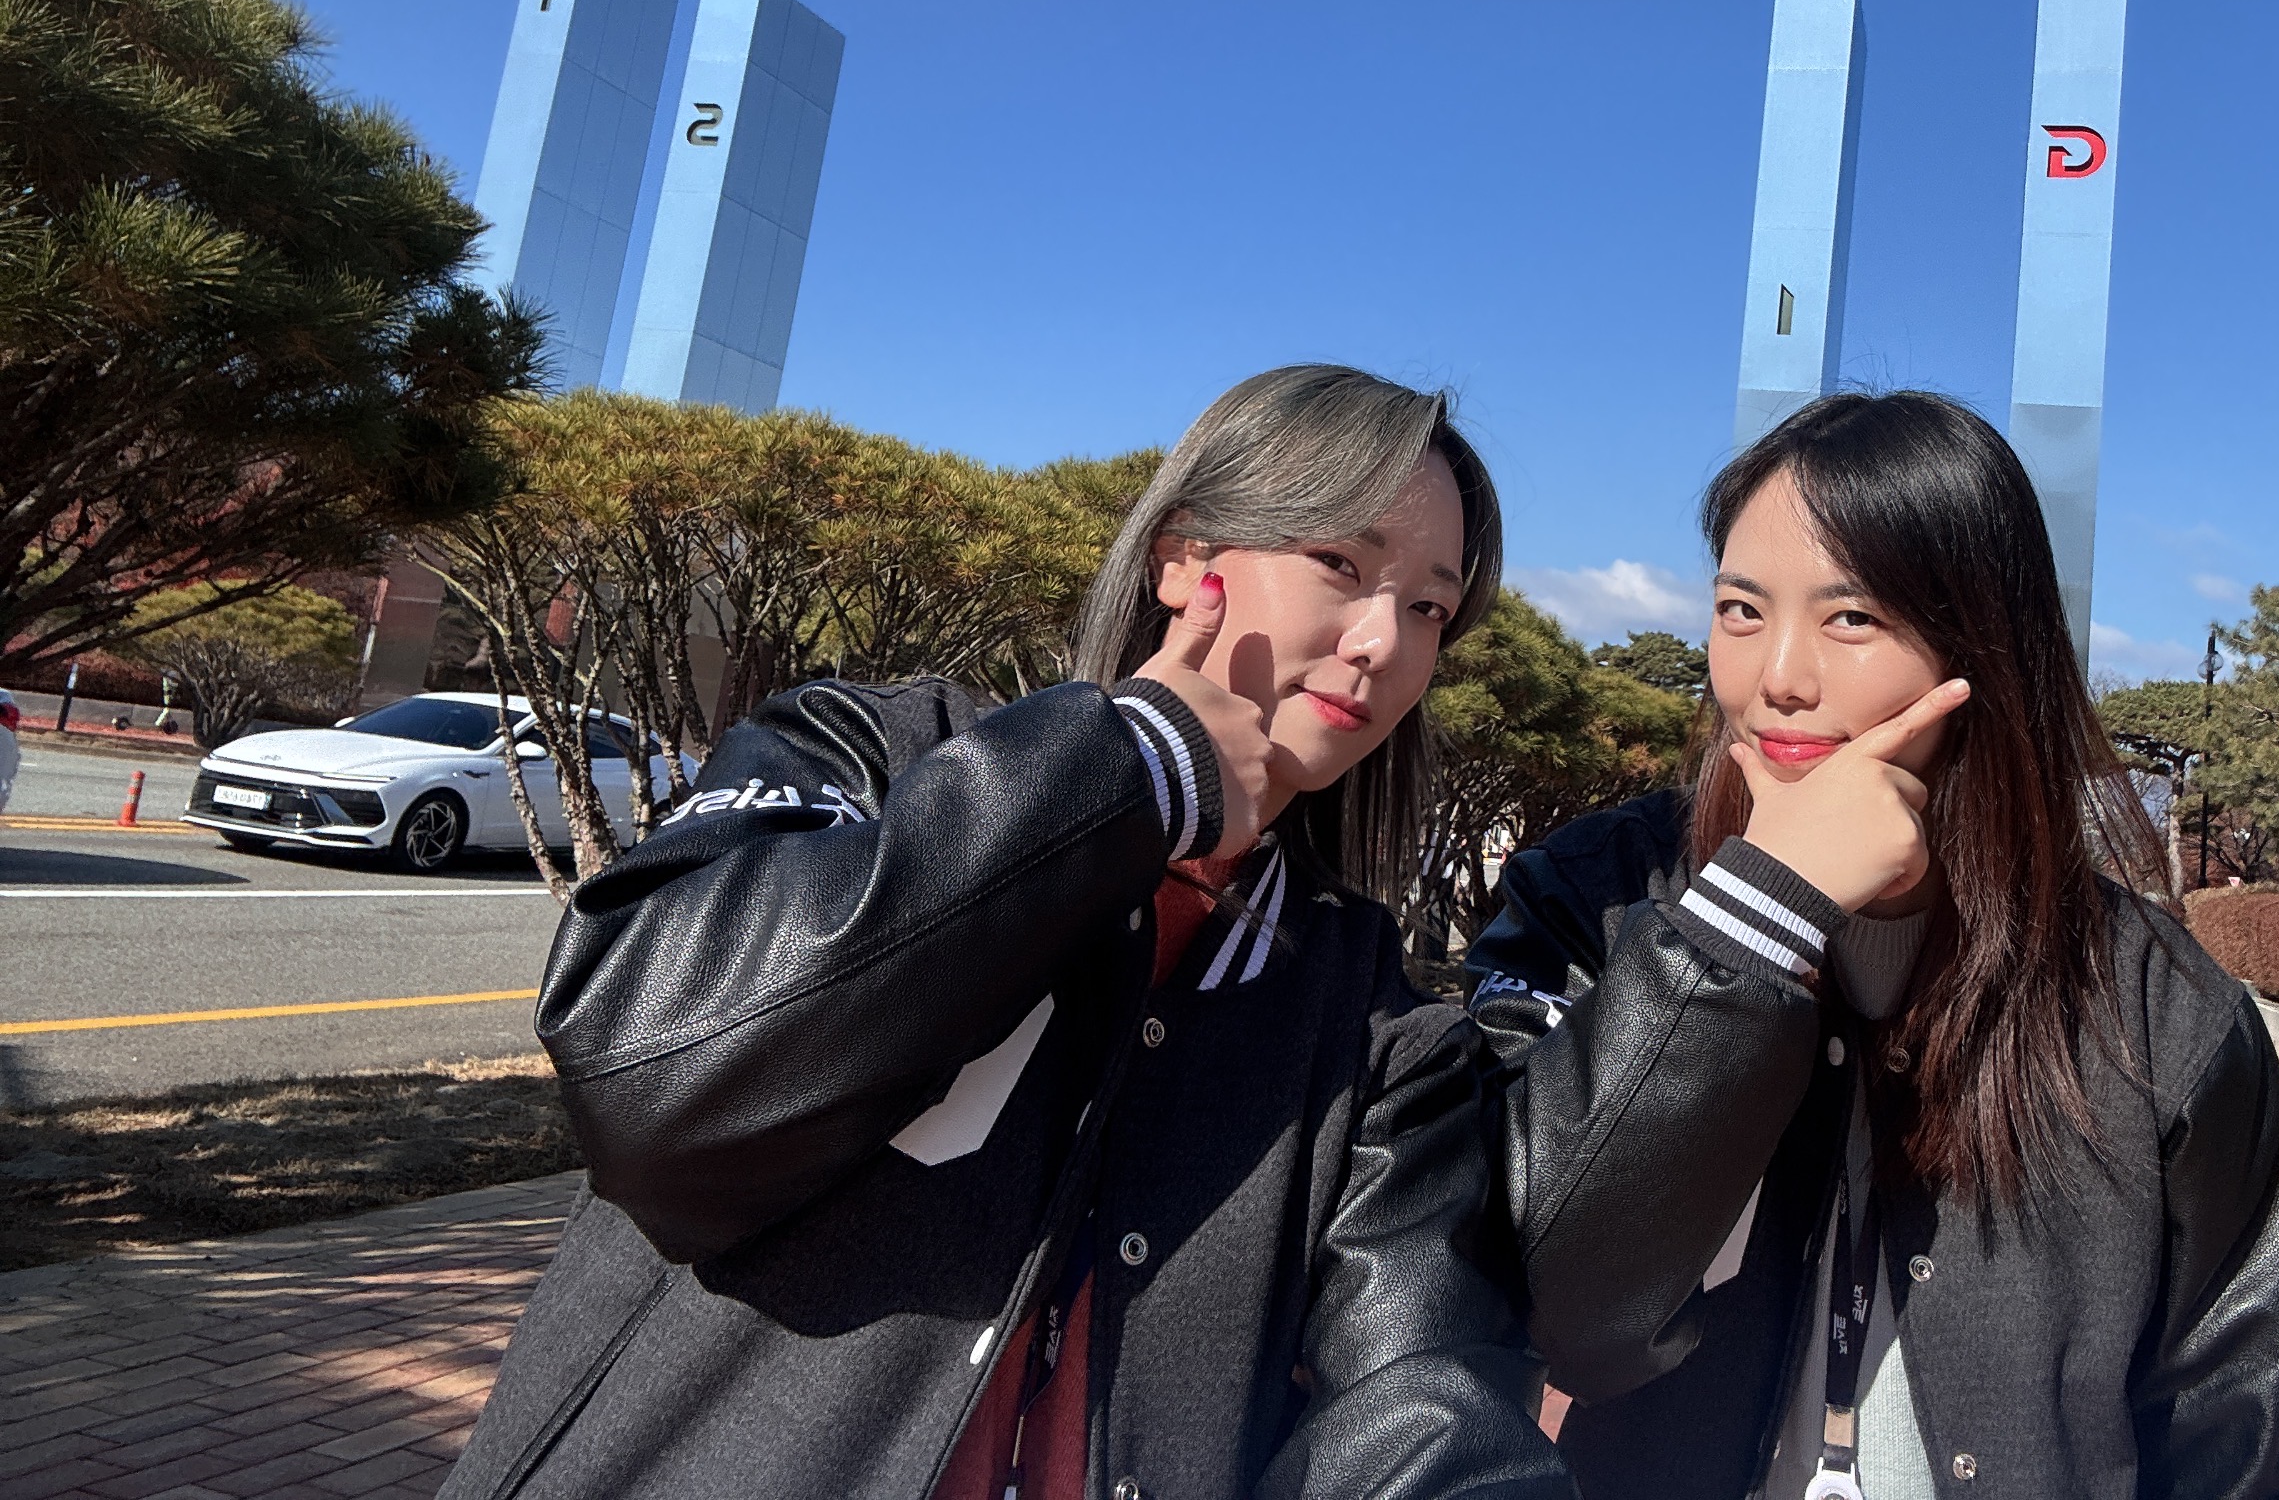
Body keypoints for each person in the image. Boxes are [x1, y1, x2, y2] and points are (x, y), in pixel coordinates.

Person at [447, 365, 1570, 1500]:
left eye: (1429, 609)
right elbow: (647, 1080)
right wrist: (1127, 769)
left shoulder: (1371, 1019)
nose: (1382, 641)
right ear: (1185, 557)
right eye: (1341, 563)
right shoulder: (874, 752)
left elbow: (1420, 1393)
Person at [1464, 392, 2279, 1500]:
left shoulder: (2152, 1007)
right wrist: (1750, 921)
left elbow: (2252, 1445)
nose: (1778, 675)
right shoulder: (1597, 898)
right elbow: (1555, 1311)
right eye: (1740, 609)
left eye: (1851, 618)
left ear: (1980, 644)